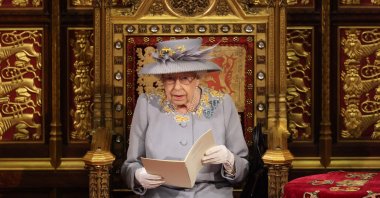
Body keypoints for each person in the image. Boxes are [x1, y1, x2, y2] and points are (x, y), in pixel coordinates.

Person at [121, 38, 249, 198]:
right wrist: (137, 175)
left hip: (211, 193)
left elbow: (243, 168)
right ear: (162, 80)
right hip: (161, 194)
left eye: (185, 78)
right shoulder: (147, 104)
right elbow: (129, 165)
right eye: (169, 79)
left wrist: (230, 160)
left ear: (197, 78)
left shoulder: (222, 103)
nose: (177, 87)